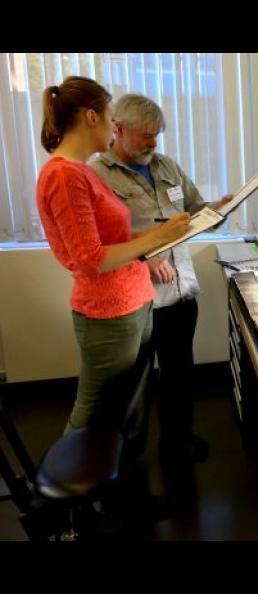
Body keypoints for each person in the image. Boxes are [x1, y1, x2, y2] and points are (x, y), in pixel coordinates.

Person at [35, 76, 191, 456]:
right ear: (92, 118)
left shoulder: (81, 170)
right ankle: (66, 499)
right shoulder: (65, 175)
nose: (113, 125)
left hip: (134, 302)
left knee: (128, 407)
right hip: (108, 311)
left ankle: (121, 489)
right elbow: (92, 259)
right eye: (109, 117)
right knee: (95, 412)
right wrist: (158, 239)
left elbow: (113, 243)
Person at [90, 93, 233, 464]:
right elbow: (99, 242)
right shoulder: (97, 175)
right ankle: (127, 461)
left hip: (180, 292)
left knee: (179, 375)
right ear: (118, 129)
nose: (153, 143)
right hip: (134, 299)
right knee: (134, 386)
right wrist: (146, 255)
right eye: (145, 135)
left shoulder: (166, 165)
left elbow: (193, 208)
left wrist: (218, 210)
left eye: (157, 134)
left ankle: (178, 441)